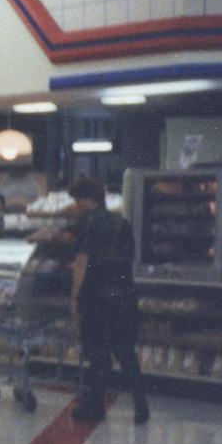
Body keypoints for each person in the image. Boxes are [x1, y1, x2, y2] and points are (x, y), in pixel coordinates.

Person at [69, 176, 149, 423]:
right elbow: (129, 259)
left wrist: (74, 296)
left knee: (98, 354)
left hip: (96, 297)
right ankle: (141, 407)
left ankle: (94, 408)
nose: (76, 205)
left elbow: (82, 260)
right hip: (124, 294)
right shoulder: (122, 223)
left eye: (77, 200)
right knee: (126, 353)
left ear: (84, 200)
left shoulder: (87, 223)